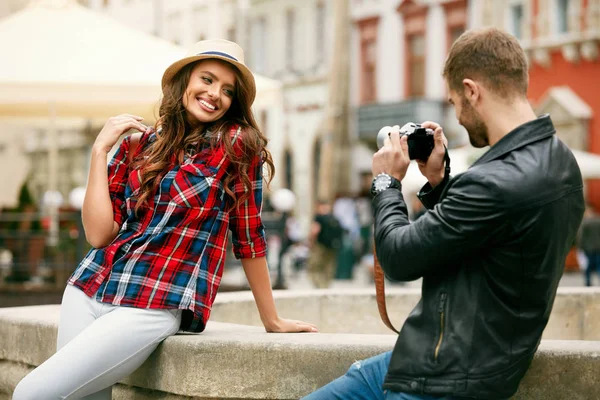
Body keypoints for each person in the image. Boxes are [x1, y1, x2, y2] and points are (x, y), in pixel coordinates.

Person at [13, 39, 317, 400]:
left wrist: (272, 319)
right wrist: (99, 151)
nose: (214, 94)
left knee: (30, 393)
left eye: (227, 90)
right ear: (185, 81)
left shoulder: (236, 144)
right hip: (88, 288)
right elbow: (99, 235)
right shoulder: (137, 146)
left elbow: (249, 235)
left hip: (156, 300)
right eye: (206, 79)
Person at [302, 28, 584, 400]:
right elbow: (480, 237)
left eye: (453, 103)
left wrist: (387, 182)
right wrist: (438, 183)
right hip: (442, 364)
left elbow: (400, 258)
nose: (458, 117)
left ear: (471, 90)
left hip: (440, 384)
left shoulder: (495, 181)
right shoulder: (560, 163)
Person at [307, 199, 344, 288]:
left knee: (315, 266)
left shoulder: (319, 217)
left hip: (320, 245)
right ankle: (326, 285)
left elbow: (315, 231)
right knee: (329, 266)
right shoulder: (334, 218)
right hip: (333, 246)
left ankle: (320, 285)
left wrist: (311, 242)